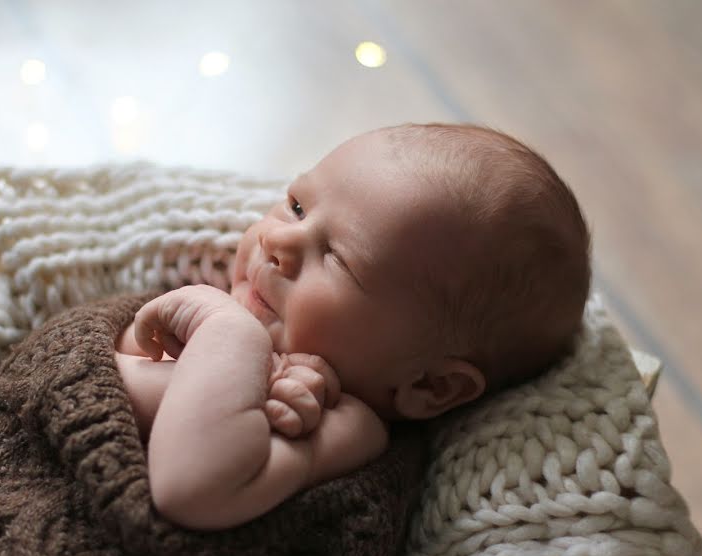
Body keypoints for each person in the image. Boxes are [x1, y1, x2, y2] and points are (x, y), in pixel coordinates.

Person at [113, 122, 592, 530]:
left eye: (339, 260)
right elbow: (103, 372)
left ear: (430, 385)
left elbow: (189, 487)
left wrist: (224, 332)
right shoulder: (234, 317)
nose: (277, 239)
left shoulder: (344, 427)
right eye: (297, 206)